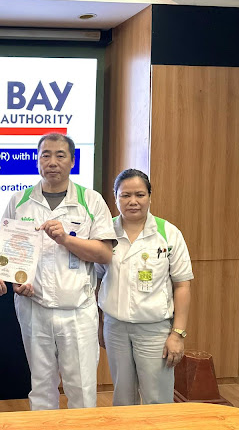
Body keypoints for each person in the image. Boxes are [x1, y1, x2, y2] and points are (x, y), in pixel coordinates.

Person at [0, 133, 116, 409]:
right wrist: (14, 281)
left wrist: (66, 240)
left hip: (78, 310)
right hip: (33, 308)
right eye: (45, 155)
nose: (52, 161)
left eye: (60, 155)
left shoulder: (91, 201)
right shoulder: (19, 201)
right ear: (37, 161)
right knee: (41, 387)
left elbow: (105, 254)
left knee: (82, 389)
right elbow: (7, 256)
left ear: (72, 160)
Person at [96, 169, 193, 405]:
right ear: (115, 197)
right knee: (123, 397)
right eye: (125, 195)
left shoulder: (168, 233)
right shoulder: (104, 232)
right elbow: (97, 281)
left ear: (150, 196)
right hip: (115, 328)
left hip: (155, 331)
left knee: (157, 399)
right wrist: (100, 324)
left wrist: (177, 334)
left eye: (139, 194)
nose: (132, 201)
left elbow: (182, 285)